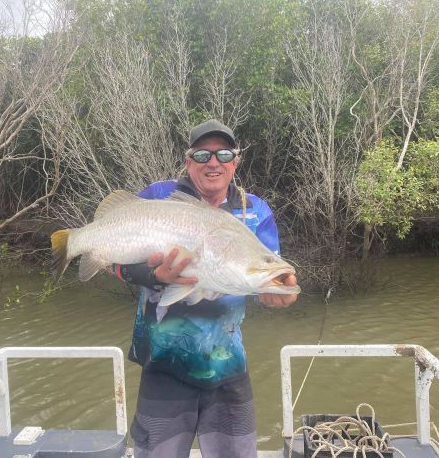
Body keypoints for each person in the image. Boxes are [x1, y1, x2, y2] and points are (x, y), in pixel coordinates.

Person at [111, 119, 299, 458]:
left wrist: (276, 293)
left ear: (235, 162)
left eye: (224, 154)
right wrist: (154, 276)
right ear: (188, 161)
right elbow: (112, 260)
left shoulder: (255, 211)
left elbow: (268, 277)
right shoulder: (157, 197)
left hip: (228, 366)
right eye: (202, 154)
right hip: (163, 367)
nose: (213, 162)